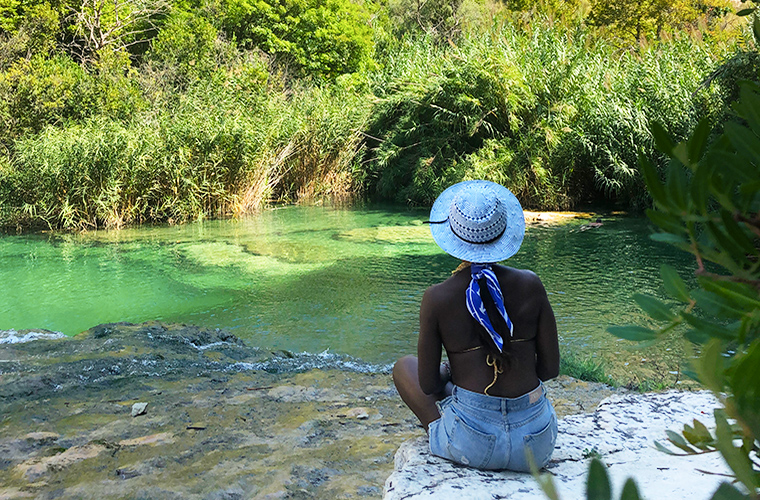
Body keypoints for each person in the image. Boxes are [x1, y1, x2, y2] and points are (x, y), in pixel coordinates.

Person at [393, 179, 560, 472]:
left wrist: (451, 370)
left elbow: (430, 385)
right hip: (535, 444)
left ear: (452, 235)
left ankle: (457, 430)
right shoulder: (531, 285)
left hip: (473, 444)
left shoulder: (436, 297)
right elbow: (549, 370)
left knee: (403, 367)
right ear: (504, 233)